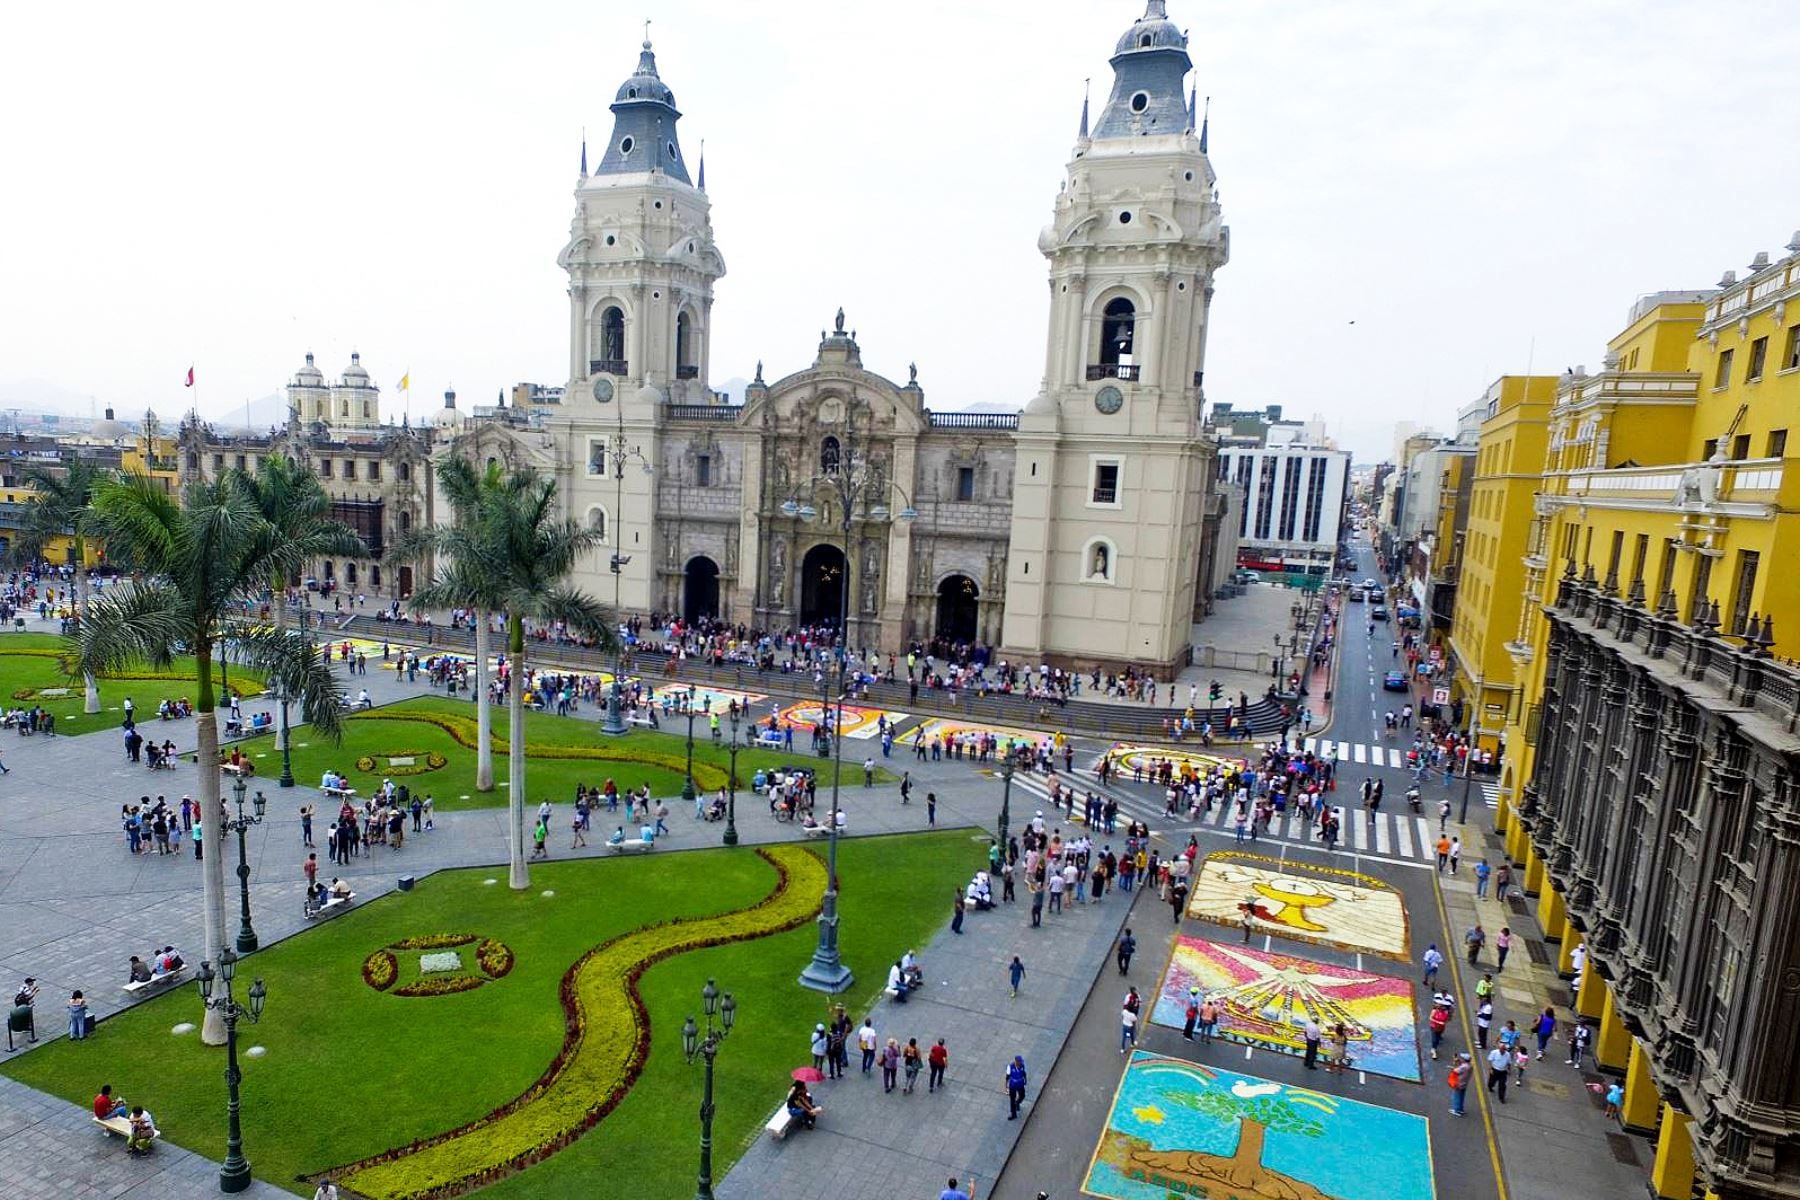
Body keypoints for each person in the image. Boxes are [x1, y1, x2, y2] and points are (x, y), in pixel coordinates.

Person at [1448, 1052, 1472, 1117]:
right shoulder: (1469, 1066)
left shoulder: (1463, 1067)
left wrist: (1455, 1063)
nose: (1461, 1059)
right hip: (1464, 1084)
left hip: (1458, 1084)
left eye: (1462, 1058)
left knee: (1456, 1097)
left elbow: (1455, 1071)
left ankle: (1456, 1110)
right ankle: (1460, 1109)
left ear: (1464, 1059)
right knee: (1461, 1097)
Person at [1005, 1055, 1028, 1119]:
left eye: (1021, 1062)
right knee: (1012, 1100)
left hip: (1020, 1084)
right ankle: (1013, 1114)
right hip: (1012, 1085)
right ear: (1016, 1061)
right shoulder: (1010, 1067)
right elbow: (1007, 1077)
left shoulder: (1022, 1066)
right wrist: (1006, 1087)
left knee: (1022, 1096)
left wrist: (1025, 1080)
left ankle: (1017, 1102)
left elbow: (1024, 1073)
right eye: (1019, 1062)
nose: (1020, 1063)